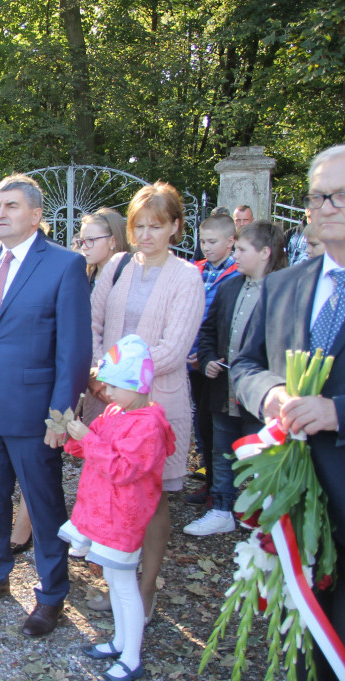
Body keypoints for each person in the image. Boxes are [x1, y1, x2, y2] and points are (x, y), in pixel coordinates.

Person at [0, 173, 91, 639]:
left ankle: (51, 595)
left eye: (11, 206)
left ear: (35, 214)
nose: (0, 214)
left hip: (35, 414)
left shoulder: (64, 265)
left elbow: (73, 349)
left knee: (44, 506)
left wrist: (61, 416)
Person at [233, 145, 345, 681]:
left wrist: (338, 411)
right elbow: (244, 365)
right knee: (304, 646)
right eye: (318, 196)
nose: (327, 207)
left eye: (340, 195)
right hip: (294, 502)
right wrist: (269, 393)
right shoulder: (283, 285)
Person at [89, 181, 204, 622]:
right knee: (113, 493)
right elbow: (94, 322)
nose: (148, 235)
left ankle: (146, 589)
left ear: (175, 226)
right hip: (108, 401)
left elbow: (174, 349)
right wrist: (99, 373)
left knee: (151, 500)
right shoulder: (117, 266)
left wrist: (114, 373)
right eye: (140, 226)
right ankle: (117, 586)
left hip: (157, 405)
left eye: (157, 226)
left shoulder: (187, 276)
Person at [62, 335, 176, 681]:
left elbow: (123, 469)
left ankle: (130, 655)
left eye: (113, 386)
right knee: (114, 580)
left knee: (124, 586)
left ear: (136, 385)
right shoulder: (115, 412)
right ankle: (120, 640)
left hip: (123, 518)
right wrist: (71, 435)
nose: (106, 393)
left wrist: (86, 439)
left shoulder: (148, 425)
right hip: (103, 513)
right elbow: (91, 446)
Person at [186, 220, 286, 536]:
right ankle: (222, 509)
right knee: (221, 451)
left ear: (265, 252)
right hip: (222, 387)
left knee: (263, 456)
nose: (236, 255)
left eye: (242, 249)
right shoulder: (230, 287)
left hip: (262, 395)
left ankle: (264, 515)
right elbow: (209, 331)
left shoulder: (285, 289)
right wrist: (208, 359)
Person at [185, 214, 239, 506]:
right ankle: (210, 479)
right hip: (192, 359)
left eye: (212, 241)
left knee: (214, 422)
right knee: (201, 421)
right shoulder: (196, 270)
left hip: (216, 362)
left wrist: (208, 354)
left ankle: (222, 486)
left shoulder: (235, 275)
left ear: (231, 241)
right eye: (203, 241)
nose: (206, 247)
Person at [77, 208, 129, 292]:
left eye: (91, 240)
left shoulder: (129, 278)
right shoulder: (81, 277)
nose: (83, 247)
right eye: (82, 241)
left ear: (113, 241)